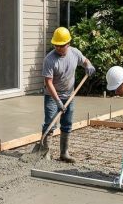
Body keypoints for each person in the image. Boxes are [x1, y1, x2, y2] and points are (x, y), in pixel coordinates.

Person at [41, 27, 96, 163]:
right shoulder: (49, 59)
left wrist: (88, 65)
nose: (59, 48)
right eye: (56, 45)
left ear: (68, 43)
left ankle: (64, 153)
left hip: (69, 95)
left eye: (62, 45)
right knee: (50, 124)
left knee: (67, 124)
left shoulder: (75, 53)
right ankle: (45, 153)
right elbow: (48, 82)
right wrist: (58, 101)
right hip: (52, 97)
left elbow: (85, 61)